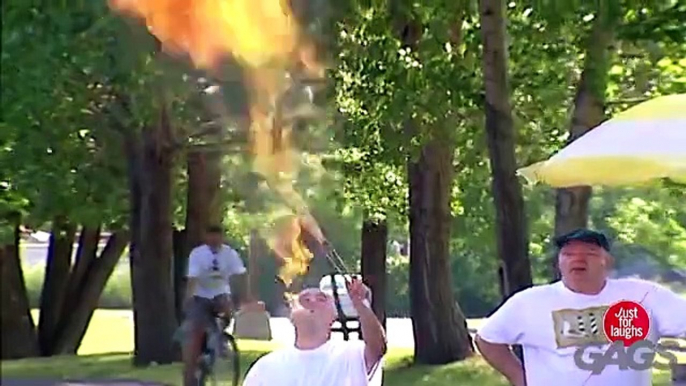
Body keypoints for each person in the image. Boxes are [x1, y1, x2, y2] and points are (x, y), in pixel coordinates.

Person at [475, 228, 686, 386]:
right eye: (568, 254)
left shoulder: (644, 295)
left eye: (590, 253)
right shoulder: (529, 302)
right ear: (559, 263)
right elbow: (487, 339)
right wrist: (521, 379)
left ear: (607, 261)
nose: (578, 259)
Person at [243, 277, 386, 386]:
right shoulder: (264, 368)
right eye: (305, 299)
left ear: (333, 316)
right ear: (291, 315)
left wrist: (361, 305)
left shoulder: (351, 355)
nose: (312, 300)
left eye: (321, 299)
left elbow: (377, 347)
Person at [181, 225, 248, 386]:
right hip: (200, 294)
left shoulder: (229, 253)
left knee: (226, 307)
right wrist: (188, 297)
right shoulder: (198, 254)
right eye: (211, 236)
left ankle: (220, 339)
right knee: (194, 333)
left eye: (217, 236)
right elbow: (193, 278)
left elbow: (240, 274)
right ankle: (193, 371)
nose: (214, 240)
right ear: (206, 237)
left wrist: (244, 296)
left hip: (220, 292)